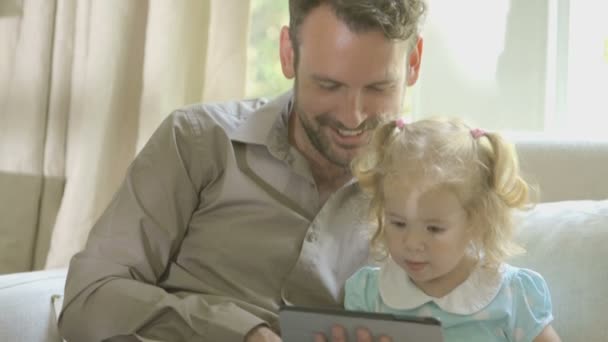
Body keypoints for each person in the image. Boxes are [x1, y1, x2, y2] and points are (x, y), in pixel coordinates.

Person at [57, 1, 426, 341]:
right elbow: (87, 300)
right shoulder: (196, 143)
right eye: (328, 85)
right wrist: (239, 332)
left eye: (379, 87)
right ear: (287, 54)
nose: (353, 116)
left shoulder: (434, 192)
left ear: (413, 64)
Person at [345, 117, 562, 341]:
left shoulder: (514, 296)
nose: (411, 243)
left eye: (434, 229)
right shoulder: (369, 296)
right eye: (398, 223)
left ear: (476, 222)